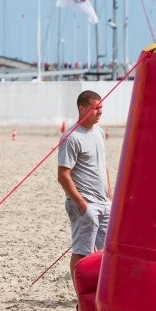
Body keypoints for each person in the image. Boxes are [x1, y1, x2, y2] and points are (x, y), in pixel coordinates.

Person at [57, 90, 113, 283]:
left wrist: (109, 193)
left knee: (107, 252)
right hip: (84, 205)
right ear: (82, 108)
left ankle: (98, 292)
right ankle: (80, 297)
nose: (100, 111)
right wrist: (82, 204)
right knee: (82, 252)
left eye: (101, 107)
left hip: (103, 202)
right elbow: (63, 176)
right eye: (96, 108)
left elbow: (101, 165)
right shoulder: (71, 137)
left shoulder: (98, 132)